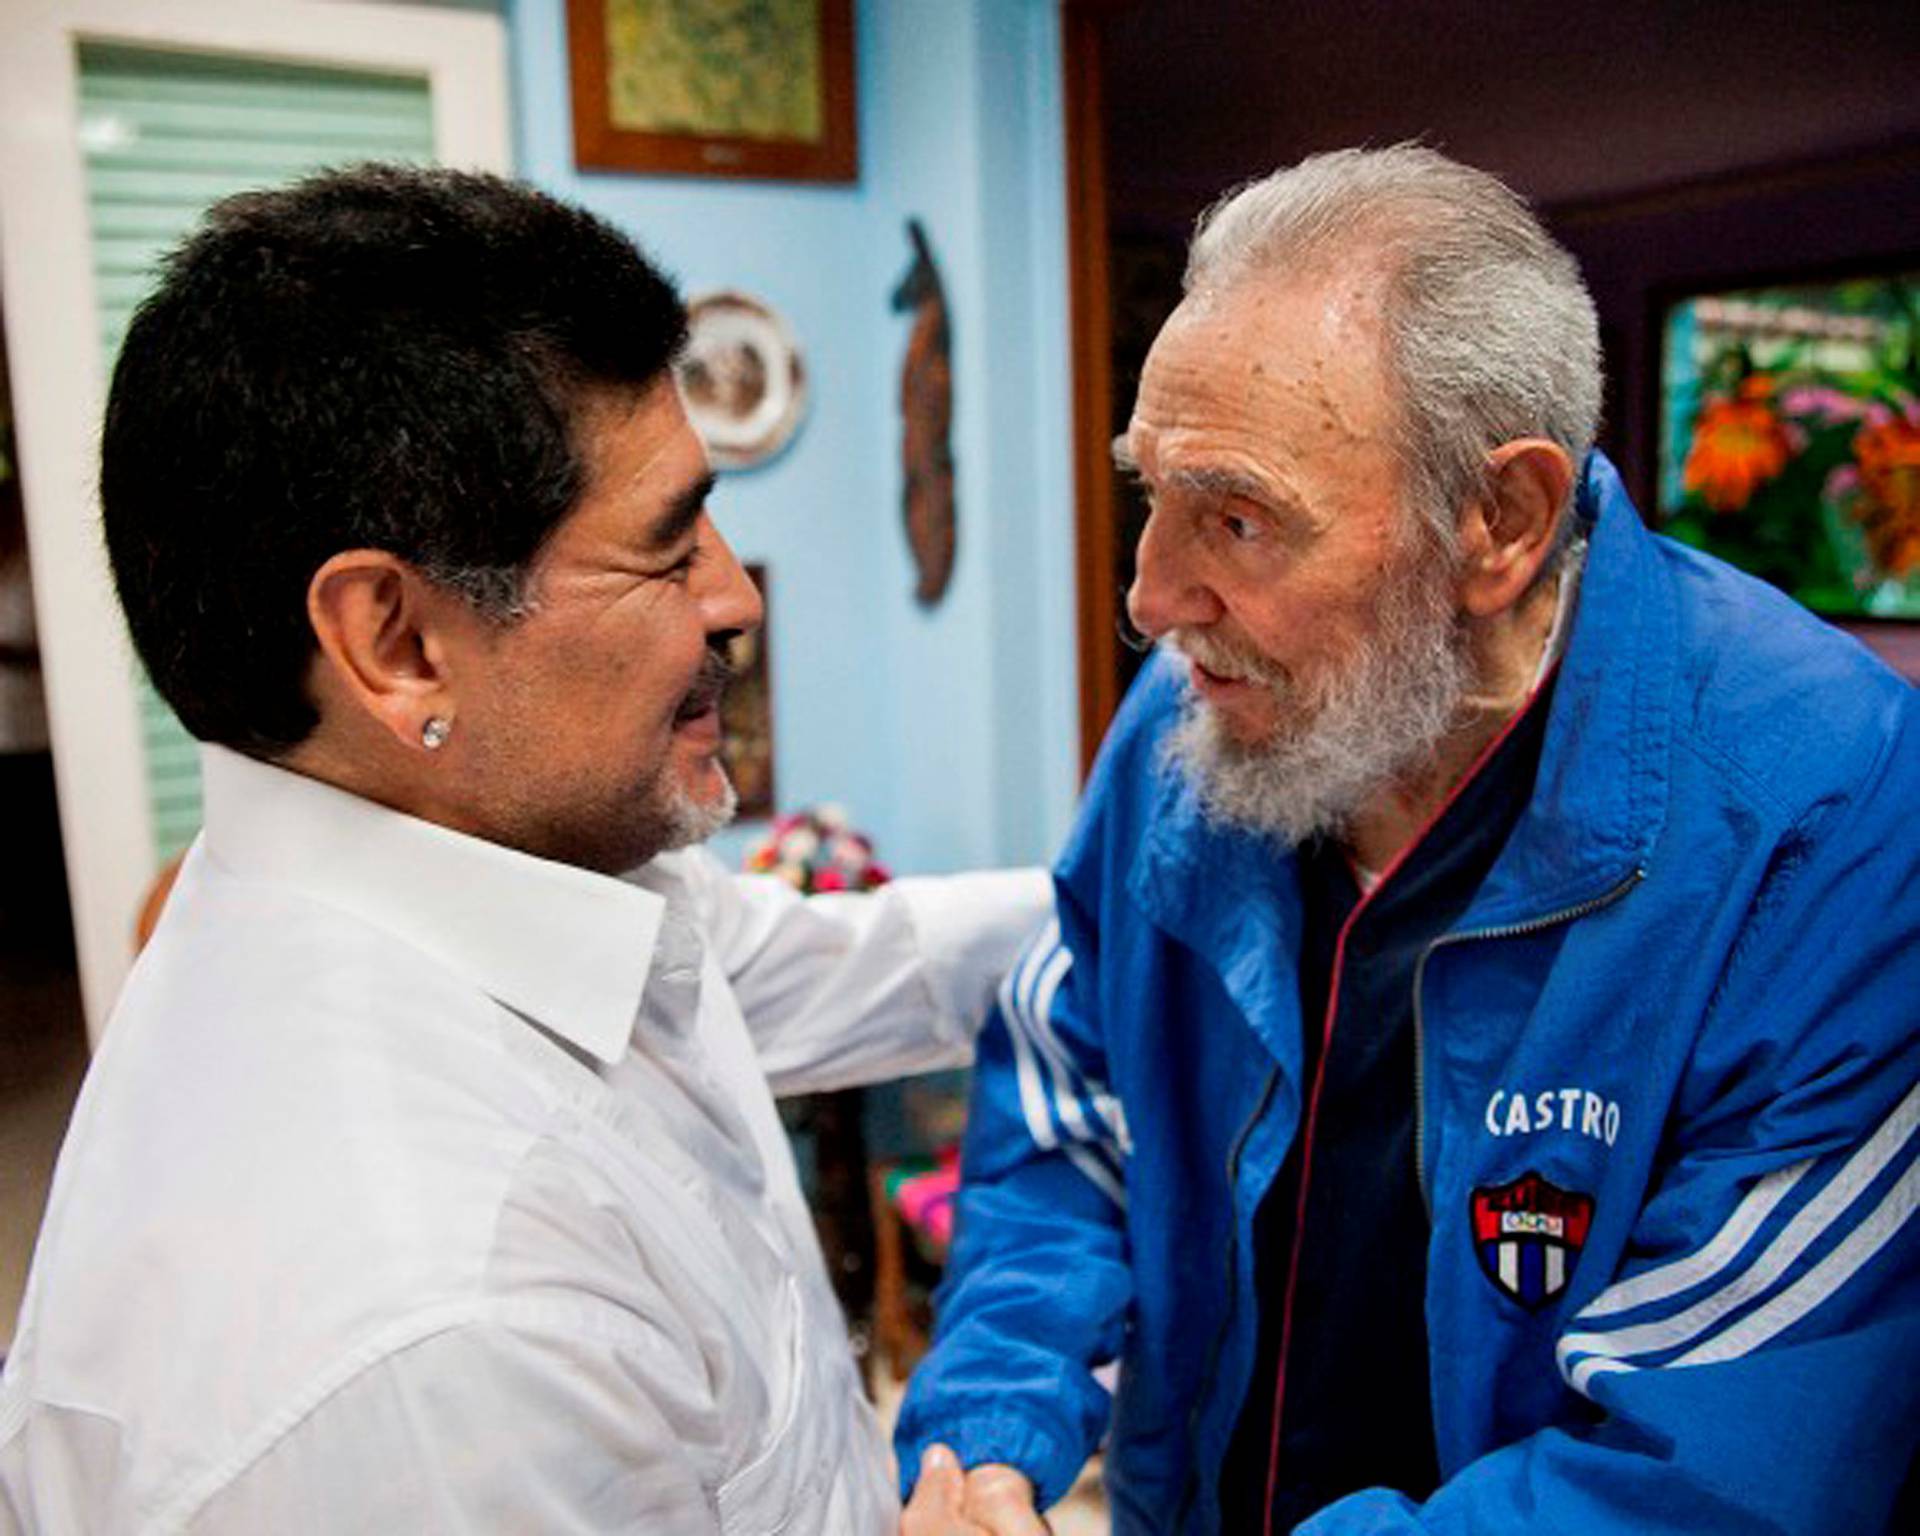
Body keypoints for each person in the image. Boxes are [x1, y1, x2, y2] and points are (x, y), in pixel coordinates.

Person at [0, 165, 1046, 1533]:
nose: (735, 600)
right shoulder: (439, 1341)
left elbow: (844, 963)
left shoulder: (517, 868)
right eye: (667, 554)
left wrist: (1159, 881)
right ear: (397, 641)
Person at [896, 146, 1920, 1534]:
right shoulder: (1186, 725)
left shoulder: (1832, 812)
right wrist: (994, 1424)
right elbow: (1075, 1099)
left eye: (1239, 519)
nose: (1149, 598)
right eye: (1156, 496)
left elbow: (1708, 1469)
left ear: (1499, 523)